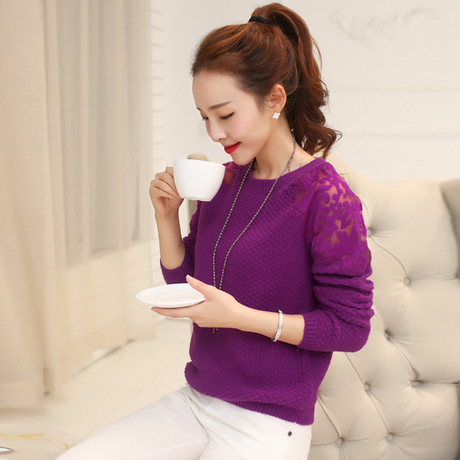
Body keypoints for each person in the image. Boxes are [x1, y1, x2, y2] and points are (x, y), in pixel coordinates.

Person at [57, 3, 373, 459]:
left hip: (268, 424)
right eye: (204, 116)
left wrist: (241, 317)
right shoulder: (223, 183)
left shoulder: (327, 197)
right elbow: (186, 284)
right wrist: (166, 216)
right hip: (195, 403)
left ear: (275, 100)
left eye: (224, 115)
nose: (213, 133)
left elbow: (350, 328)